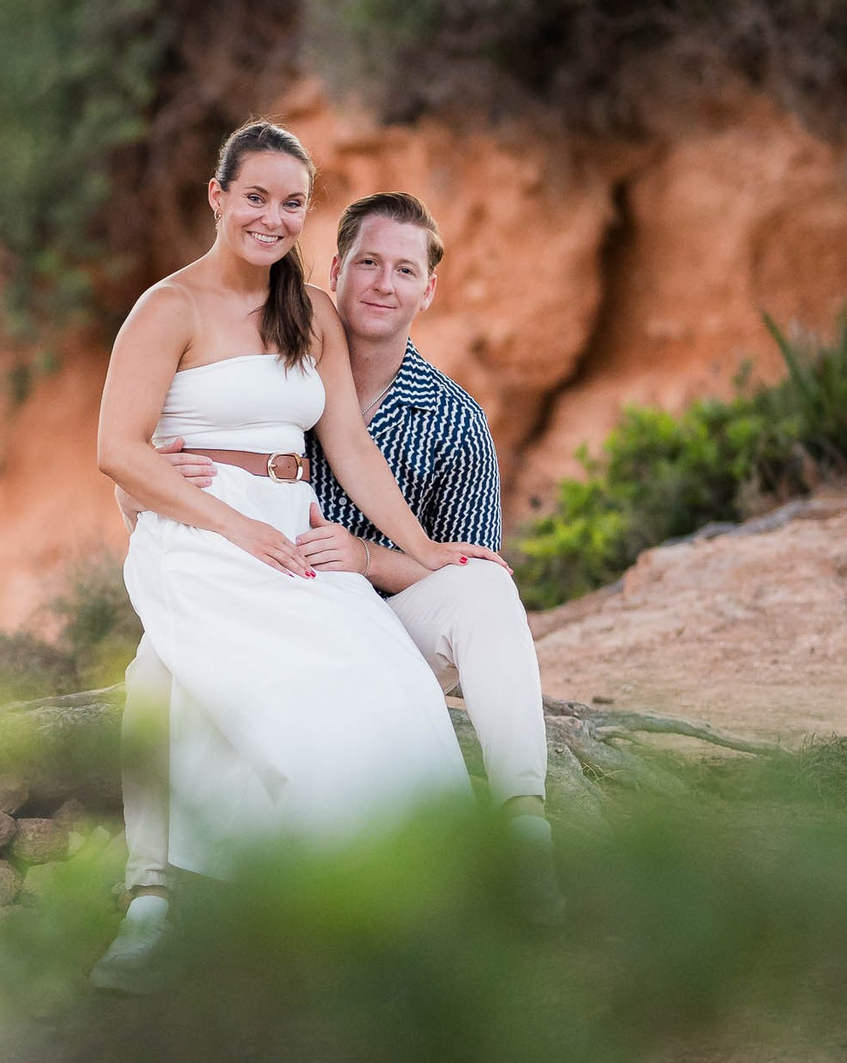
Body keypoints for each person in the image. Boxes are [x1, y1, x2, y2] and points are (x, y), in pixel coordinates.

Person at [93, 186, 556, 990]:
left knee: (486, 594)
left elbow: (460, 562)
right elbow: (154, 471)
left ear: (428, 290)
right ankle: (152, 898)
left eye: (404, 270)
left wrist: (368, 558)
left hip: (383, 614)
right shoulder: (281, 372)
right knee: (153, 671)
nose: (382, 283)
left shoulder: (454, 422)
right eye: (367, 263)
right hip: (262, 600)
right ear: (334, 271)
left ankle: (522, 820)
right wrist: (145, 486)